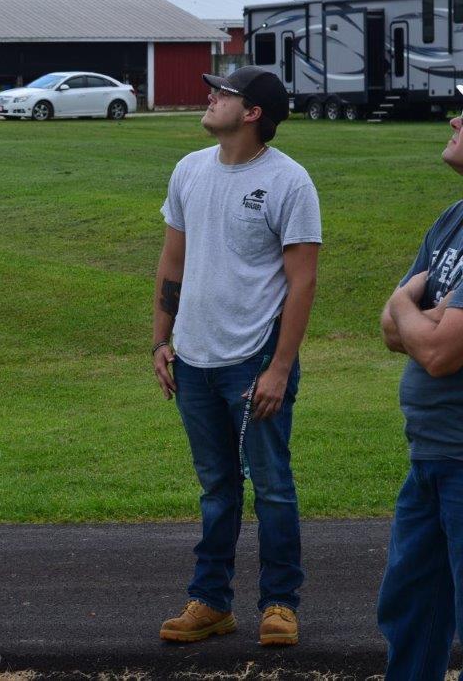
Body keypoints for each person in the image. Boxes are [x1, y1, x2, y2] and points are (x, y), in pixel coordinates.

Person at [152, 66, 322, 646]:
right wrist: (161, 338)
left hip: (255, 360)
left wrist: (278, 368)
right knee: (217, 487)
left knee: (273, 485)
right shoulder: (188, 170)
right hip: (194, 360)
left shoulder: (290, 183)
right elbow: (172, 262)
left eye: (223, 93)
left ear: (252, 113)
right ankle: (211, 602)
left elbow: (302, 283)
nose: (210, 96)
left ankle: (279, 605)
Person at [378, 93, 463, 680]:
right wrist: (414, 312)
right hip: (431, 454)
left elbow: (437, 351)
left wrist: (409, 305)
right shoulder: (452, 220)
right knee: (411, 607)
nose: (454, 120)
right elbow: (390, 329)